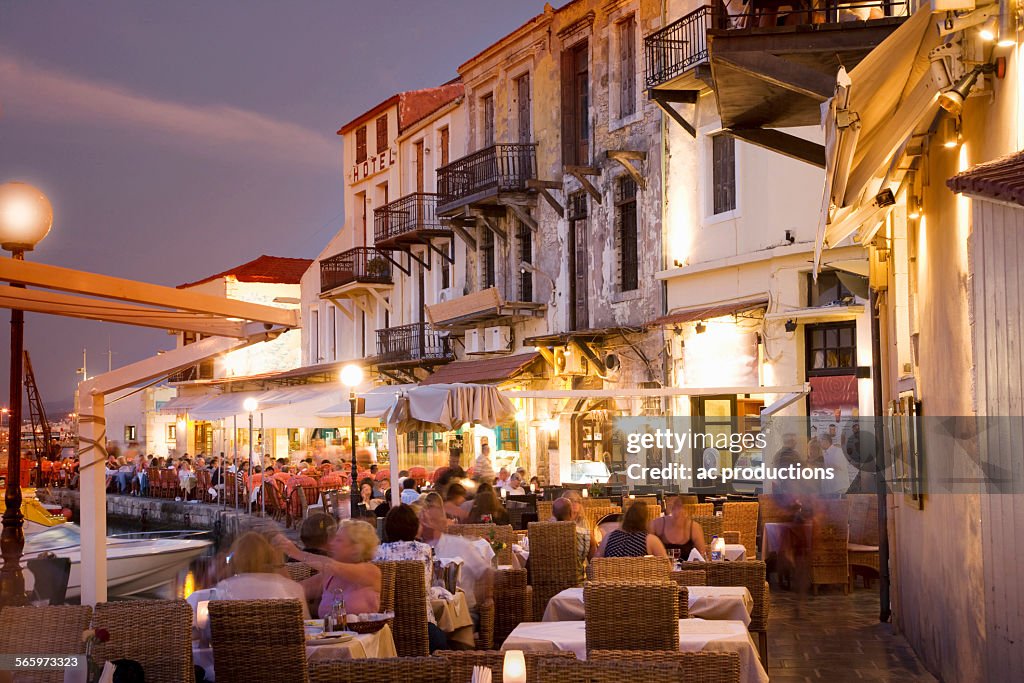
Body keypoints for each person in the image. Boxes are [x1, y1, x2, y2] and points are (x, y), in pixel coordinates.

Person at [275, 519, 382, 618]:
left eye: (339, 540)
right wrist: (277, 560)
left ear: (355, 548)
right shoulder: (329, 576)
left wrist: (297, 553)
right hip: (332, 637)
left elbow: (332, 566)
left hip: (365, 637)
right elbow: (294, 590)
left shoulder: (371, 572)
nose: (331, 543)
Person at [213, 532, 309, 617]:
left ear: (236, 560)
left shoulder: (222, 590)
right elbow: (306, 625)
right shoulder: (292, 588)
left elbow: (211, 631)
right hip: (280, 637)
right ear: (269, 557)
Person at [419, 504, 493, 609]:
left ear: (441, 524)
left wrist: (488, 597)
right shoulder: (416, 549)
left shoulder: (460, 545)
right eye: (423, 520)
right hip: (427, 611)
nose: (425, 524)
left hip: (462, 610)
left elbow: (485, 571)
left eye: (430, 520)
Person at [596, 501, 668, 558]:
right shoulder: (649, 540)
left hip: (610, 576)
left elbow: (594, 563)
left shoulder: (609, 538)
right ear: (645, 520)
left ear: (625, 518)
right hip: (640, 576)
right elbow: (667, 567)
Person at [649, 495, 706, 560]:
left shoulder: (694, 528)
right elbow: (647, 554)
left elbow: (701, 557)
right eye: (674, 508)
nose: (677, 512)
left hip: (687, 569)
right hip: (663, 568)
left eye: (680, 508)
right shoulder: (657, 525)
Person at [552, 498, 590, 583]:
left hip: (543, 588)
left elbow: (529, 566)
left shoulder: (539, 534)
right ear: (570, 513)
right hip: (576, 585)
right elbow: (595, 563)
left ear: (553, 514)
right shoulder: (585, 534)